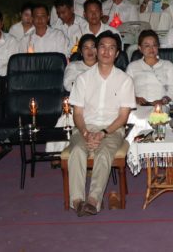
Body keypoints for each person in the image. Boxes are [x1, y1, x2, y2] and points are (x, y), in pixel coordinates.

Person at [67, 31, 136, 216]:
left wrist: (103, 133)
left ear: (117, 53)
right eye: (102, 47)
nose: (106, 51)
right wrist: (86, 133)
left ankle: (93, 200)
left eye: (111, 48)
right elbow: (78, 114)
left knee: (104, 153)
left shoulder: (125, 80)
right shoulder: (82, 79)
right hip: (85, 127)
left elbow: (123, 117)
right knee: (77, 151)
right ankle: (77, 200)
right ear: (96, 50)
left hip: (112, 129)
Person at [127, 30, 173, 107]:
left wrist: (163, 101)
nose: (151, 49)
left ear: (158, 47)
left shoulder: (168, 65)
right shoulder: (132, 67)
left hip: (160, 105)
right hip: (137, 105)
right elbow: (126, 89)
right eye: (147, 46)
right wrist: (134, 99)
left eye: (154, 45)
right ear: (140, 48)